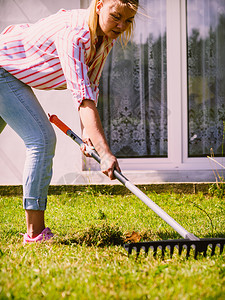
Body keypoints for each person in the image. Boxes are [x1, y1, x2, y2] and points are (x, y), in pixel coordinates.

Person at [0, 0, 139, 243]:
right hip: (4, 68)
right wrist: (105, 153)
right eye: (116, 16)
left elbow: (91, 87)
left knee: (41, 139)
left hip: (13, 72)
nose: (121, 25)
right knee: (41, 140)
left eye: (128, 20)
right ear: (99, 5)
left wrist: (88, 135)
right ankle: (35, 234)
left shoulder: (105, 39)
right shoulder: (74, 36)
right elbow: (83, 98)